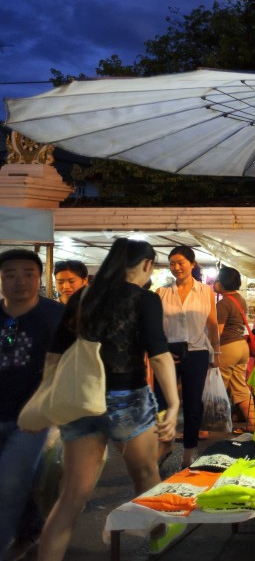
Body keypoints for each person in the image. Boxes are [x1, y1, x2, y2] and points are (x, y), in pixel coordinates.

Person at [36, 239, 181, 560]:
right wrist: (172, 404)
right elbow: (158, 355)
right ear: (145, 265)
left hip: (81, 399)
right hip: (127, 397)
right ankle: (160, 541)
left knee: (73, 494)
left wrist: (49, 402)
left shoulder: (83, 298)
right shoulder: (144, 299)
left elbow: (53, 356)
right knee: (145, 475)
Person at [0, 249, 64, 560]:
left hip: (35, 418)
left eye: (28, 273)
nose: (19, 281)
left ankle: (20, 538)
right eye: (10, 274)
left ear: (39, 278)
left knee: (11, 482)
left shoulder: (56, 316)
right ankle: (29, 532)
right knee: (19, 483)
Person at [155, 246, 218, 468]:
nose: (176, 267)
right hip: (167, 354)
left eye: (181, 262)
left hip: (197, 353)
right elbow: (153, 328)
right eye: (172, 263)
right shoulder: (161, 292)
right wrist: (161, 350)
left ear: (192, 264)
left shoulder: (205, 292)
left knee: (192, 406)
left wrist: (215, 353)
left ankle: (188, 455)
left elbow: (212, 324)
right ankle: (165, 445)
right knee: (163, 404)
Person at [213, 267, 254, 432]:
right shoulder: (240, 299)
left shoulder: (223, 304)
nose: (214, 283)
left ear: (223, 283)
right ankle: (254, 422)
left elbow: (218, 332)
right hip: (242, 347)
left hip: (227, 347)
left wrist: (212, 351)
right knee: (240, 386)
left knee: (215, 387)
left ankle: (208, 425)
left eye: (217, 280)